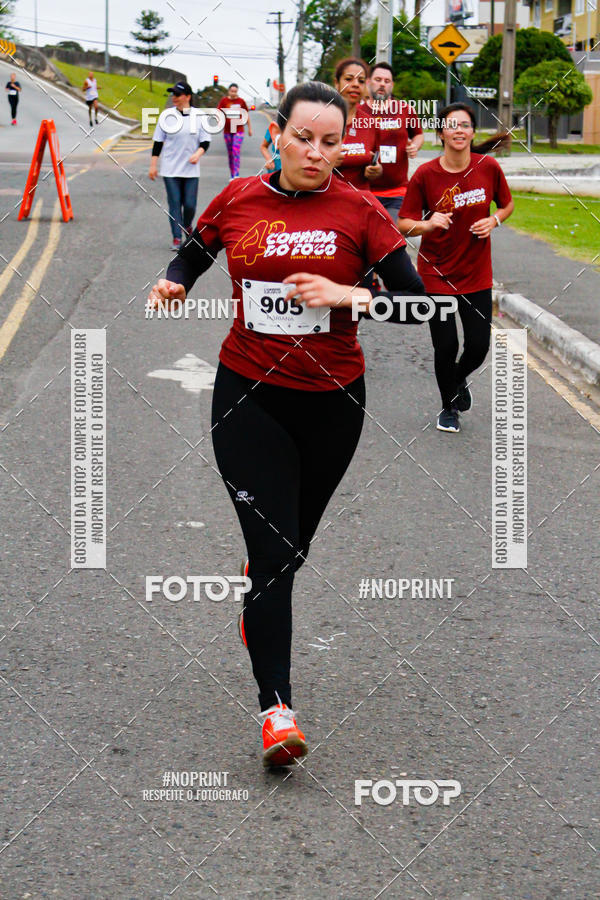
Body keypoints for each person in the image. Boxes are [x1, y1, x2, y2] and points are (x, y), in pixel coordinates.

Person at [147, 81, 423, 768]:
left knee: (289, 553)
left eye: (331, 142)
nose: (316, 153)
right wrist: (175, 280)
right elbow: (197, 249)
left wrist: (352, 292)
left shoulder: (360, 212)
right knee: (276, 560)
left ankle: (262, 587)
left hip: (334, 403)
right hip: (249, 395)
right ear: (277, 133)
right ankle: (277, 712)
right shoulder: (239, 198)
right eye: (304, 138)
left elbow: (419, 308)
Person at [398, 103, 514, 433]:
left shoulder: (488, 167)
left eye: (465, 125)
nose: (459, 130)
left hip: (476, 273)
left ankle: (457, 379)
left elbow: (507, 205)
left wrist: (493, 221)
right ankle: (449, 407)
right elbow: (403, 224)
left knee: (478, 346)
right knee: (446, 346)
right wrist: (428, 223)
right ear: (441, 133)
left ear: (473, 132)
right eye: (452, 125)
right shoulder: (425, 175)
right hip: (437, 274)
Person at [149, 81, 211, 251]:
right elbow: (158, 143)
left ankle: (187, 226)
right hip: (170, 169)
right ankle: (177, 238)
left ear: (188, 97)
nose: (174, 98)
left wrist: (197, 154)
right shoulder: (166, 116)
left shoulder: (199, 116)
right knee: (175, 203)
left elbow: (205, 142)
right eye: (173, 94)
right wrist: (153, 165)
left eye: (177, 94)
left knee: (190, 205)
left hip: (191, 170)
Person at [357, 62, 424, 217]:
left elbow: (418, 135)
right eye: (378, 79)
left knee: (392, 236)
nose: (382, 84)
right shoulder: (358, 112)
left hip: (397, 192)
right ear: (368, 82)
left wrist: (415, 145)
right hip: (364, 191)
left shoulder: (405, 109)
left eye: (387, 81)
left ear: (392, 85)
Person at [333, 58, 382, 190]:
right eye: (349, 79)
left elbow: (377, 161)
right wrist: (325, 161)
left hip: (360, 202)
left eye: (361, 81)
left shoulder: (370, 123)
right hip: (324, 201)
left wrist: (376, 170)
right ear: (337, 83)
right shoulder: (320, 119)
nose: (355, 84)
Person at [217, 83, 253, 179]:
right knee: (230, 153)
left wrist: (250, 128)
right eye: (232, 91)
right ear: (229, 91)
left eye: (235, 91)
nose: (233, 93)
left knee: (235, 150)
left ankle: (236, 174)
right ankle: (232, 174)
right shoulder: (224, 101)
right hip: (227, 131)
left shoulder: (241, 101)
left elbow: (246, 115)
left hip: (239, 130)